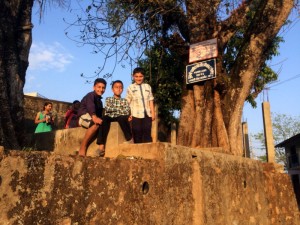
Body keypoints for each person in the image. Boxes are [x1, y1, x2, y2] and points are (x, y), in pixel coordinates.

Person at [77, 78, 107, 157]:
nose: (101, 89)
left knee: (103, 121)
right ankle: (83, 146)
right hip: (84, 116)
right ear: (94, 87)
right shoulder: (90, 95)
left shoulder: (100, 101)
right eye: (99, 87)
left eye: (103, 88)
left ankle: (101, 147)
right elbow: (91, 107)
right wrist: (94, 117)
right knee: (96, 123)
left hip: (92, 117)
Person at [126, 67, 155, 143]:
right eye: (136, 76)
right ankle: (137, 154)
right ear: (133, 77)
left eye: (141, 76)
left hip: (147, 114)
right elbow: (127, 102)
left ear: (144, 76)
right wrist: (128, 114)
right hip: (135, 115)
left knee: (147, 134)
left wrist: (153, 113)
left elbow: (150, 100)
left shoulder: (148, 87)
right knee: (137, 133)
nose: (139, 78)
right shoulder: (130, 87)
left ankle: (147, 154)